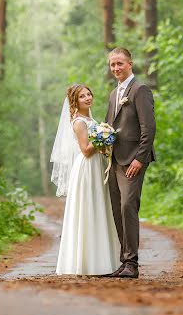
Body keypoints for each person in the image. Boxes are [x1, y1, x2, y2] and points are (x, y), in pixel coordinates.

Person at [51, 83, 120, 276]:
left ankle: (103, 261)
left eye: (89, 94)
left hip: (97, 166)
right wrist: (105, 138)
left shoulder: (90, 118)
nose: (88, 98)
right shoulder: (79, 122)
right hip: (87, 168)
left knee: (99, 208)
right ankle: (86, 263)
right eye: (82, 96)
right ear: (75, 100)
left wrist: (105, 141)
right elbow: (86, 150)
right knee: (89, 209)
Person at [106, 48, 156, 279]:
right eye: (112, 65)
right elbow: (109, 127)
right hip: (114, 160)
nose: (116, 68)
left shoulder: (140, 90)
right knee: (117, 209)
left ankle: (132, 264)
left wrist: (140, 158)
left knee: (128, 206)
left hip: (133, 159)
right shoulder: (113, 94)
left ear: (129, 64)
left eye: (120, 64)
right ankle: (124, 261)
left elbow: (149, 128)